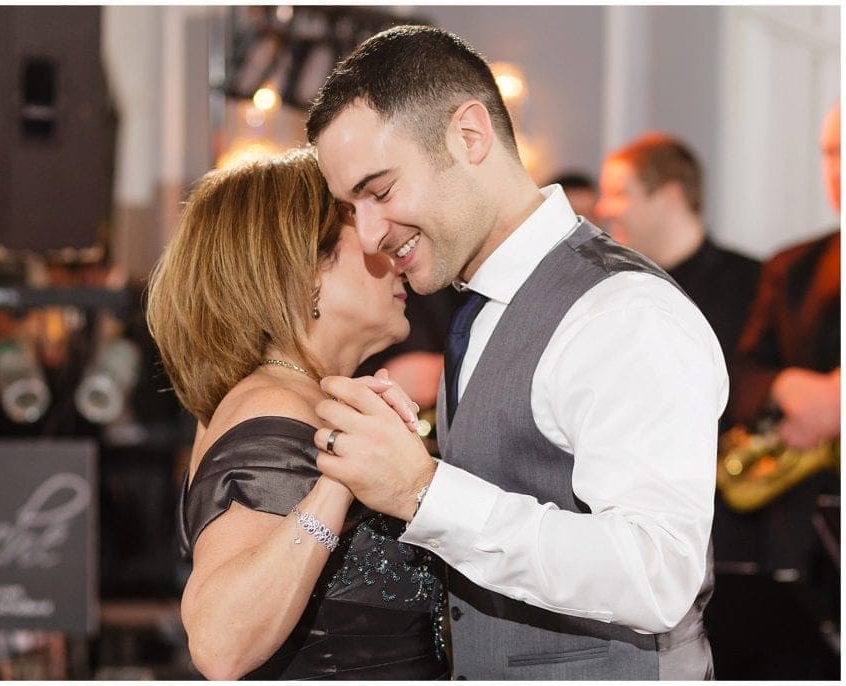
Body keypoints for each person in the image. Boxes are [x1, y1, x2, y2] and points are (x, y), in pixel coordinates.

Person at [305, 25, 726, 680]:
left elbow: (656, 576)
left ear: (470, 136)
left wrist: (421, 489)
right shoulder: (477, 309)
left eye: (380, 191)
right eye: (351, 206)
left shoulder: (622, 313)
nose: (368, 234)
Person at [144, 147, 447, 680]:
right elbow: (220, 644)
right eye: (362, 223)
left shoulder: (292, 398)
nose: (390, 242)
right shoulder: (274, 407)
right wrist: (338, 476)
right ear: (306, 272)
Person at [718, 102, 840, 680]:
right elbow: (739, 375)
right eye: (831, 152)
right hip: (805, 544)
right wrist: (791, 386)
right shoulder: (792, 266)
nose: (839, 167)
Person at [596, 133, 760, 425]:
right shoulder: (611, 289)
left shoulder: (755, 283)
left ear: (671, 197)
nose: (602, 209)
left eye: (619, 194)